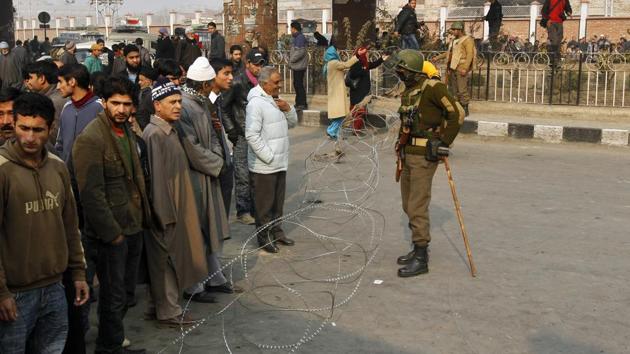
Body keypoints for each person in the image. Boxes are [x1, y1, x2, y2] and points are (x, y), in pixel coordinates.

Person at [0, 92, 89, 353]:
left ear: (50, 129)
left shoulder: (58, 167)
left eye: (37, 130)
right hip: (15, 295)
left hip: (54, 289)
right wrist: (2, 293)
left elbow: (70, 228)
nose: (29, 137)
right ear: (14, 125)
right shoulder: (3, 170)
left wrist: (78, 274)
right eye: (23, 128)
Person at [72, 77, 150, 354]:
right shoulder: (92, 139)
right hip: (110, 233)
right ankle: (109, 345)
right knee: (112, 294)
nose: (121, 109)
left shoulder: (126, 132)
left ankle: (112, 338)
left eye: (126, 104)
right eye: (115, 103)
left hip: (133, 225)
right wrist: (113, 235)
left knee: (126, 293)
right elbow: (91, 195)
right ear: (103, 102)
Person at [392, 49, 464, 277]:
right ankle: (417, 247)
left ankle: (422, 257)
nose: (399, 73)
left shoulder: (433, 88)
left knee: (417, 205)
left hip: (425, 155)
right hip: (408, 152)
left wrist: (444, 142)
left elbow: (456, 113)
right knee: (407, 204)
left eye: (402, 69)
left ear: (413, 71)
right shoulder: (410, 91)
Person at [142, 80, 206, 327]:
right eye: (172, 102)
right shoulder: (155, 134)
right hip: (166, 211)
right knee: (165, 261)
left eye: (179, 101)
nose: (178, 106)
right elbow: (156, 180)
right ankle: (168, 310)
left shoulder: (170, 130)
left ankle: (161, 306)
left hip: (178, 206)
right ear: (157, 105)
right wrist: (164, 214)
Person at [178, 57, 234, 302]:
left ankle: (214, 277)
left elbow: (212, 135)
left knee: (210, 227)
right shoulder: (185, 106)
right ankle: (195, 285)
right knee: (196, 230)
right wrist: (217, 164)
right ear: (203, 84)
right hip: (195, 176)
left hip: (208, 173)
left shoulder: (200, 102)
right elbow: (191, 147)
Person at [245, 67, 298, 253]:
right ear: (264, 83)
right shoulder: (256, 104)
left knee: (277, 202)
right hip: (264, 166)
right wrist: (268, 156)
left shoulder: (276, 100)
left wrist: (288, 109)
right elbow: (251, 135)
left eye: (280, 81)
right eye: (276, 82)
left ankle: (277, 232)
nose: (280, 85)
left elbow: (293, 123)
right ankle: (264, 238)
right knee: (264, 205)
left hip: (279, 163)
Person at [221, 49, 265, 225]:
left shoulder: (262, 83)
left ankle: (256, 207)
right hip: (241, 133)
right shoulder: (238, 82)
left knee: (257, 172)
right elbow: (224, 107)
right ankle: (243, 210)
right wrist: (232, 131)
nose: (258, 68)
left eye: (261, 64)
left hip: (259, 134)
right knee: (242, 173)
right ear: (248, 64)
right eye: (255, 64)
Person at [55, 64, 103, 164]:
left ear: (72, 82)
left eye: (60, 82)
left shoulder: (100, 107)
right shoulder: (67, 107)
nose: (58, 87)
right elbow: (60, 143)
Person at [323, 41, 367, 140]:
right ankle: (331, 131)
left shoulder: (330, 63)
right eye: (336, 51)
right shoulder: (334, 63)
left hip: (335, 92)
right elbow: (346, 65)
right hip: (336, 93)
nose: (338, 52)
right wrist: (357, 55)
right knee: (341, 115)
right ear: (333, 53)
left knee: (339, 114)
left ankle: (337, 134)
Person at [208, 59, 235, 220]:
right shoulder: (205, 104)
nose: (230, 77)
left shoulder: (218, 99)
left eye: (231, 73)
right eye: (226, 73)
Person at [433, 21, 475, 116]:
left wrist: (465, 68)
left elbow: (470, 55)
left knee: (462, 89)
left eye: (454, 29)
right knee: (454, 89)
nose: (453, 31)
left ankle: (464, 108)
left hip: (461, 67)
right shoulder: (453, 41)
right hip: (452, 67)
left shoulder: (467, 40)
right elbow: (449, 53)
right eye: (452, 29)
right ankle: (457, 107)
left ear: (460, 30)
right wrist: (437, 57)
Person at [24, 61, 67, 147]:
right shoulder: (50, 96)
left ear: (42, 79)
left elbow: (55, 134)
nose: (28, 82)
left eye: (31, 78)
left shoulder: (53, 100)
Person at [347, 46, 386, 130]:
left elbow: (373, 65)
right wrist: (363, 70)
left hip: (362, 91)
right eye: (366, 53)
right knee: (358, 111)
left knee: (359, 111)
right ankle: (356, 129)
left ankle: (356, 128)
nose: (368, 54)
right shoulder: (356, 62)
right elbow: (353, 74)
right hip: (357, 91)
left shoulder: (365, 63)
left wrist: (381, 59)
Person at [541, 0, 572, 65]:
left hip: (560, 22)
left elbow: (567, 7)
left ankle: (556, 58)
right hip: (551, 22)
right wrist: (547, 20)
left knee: (559, 39)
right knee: (554, 39)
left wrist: (569, 12)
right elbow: (543, 11)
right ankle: (553, 58)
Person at [289, 21, 309, 110]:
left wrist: (291, 60)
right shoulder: (298, 37)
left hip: (299, 66)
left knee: (298, 84)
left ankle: (302, 104)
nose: (290, 30)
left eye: (291, 28)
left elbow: (300, 52)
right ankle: (299, 103)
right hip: (298, 65)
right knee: (297, 84)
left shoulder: (300, 38)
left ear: (294, 28)